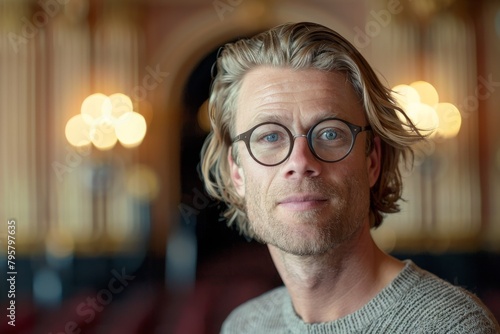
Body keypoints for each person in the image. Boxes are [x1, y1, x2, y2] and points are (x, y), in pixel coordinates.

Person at [200, 21, 500, 333]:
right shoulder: (243, 325)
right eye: (270, 137)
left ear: (372, 160)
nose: (300, 161)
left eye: (330, 133)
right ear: (237, 173)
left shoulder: (450, 327)